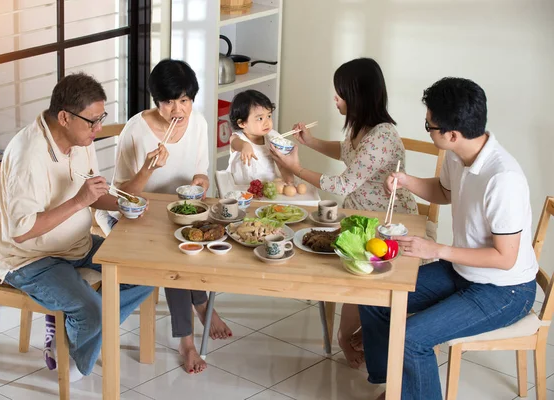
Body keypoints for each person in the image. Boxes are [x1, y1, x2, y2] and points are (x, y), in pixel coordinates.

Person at [359, 77, 538, 400]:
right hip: (464, 273)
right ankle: (397, 387)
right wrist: (406, 181)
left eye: (429, 126)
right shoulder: (459, 154)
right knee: (375, 296)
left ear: (452, 134)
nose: (427, 129)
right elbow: (444, 191)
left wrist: (437, 249)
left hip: (505, 289)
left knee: (412, 338)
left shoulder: (503, 179)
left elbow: (504, 258)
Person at [0, 73, 159, 381]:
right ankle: (76, 355)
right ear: (65, 117)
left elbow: (93, 196)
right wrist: (80, 202)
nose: (98, 129)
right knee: (92, 311)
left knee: (145, 272)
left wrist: (124, 204)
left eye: (101, 119)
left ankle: (70, 332)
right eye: (92, 121)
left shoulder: (80, 139)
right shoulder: (29, 156)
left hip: (76, 245)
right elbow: (22, 231)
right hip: (29, 260)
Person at [270, 58, 418, 368]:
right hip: (362, 215)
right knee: (336, 256)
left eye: (339, 94)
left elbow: (342, 183)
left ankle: (347, 335)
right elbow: (346, 151)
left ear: (357, 95)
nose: (334, 99)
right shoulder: (361, 126)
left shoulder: (381, 137)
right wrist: (309, 142)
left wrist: (295, 168)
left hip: (387, 222)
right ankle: (354, 333)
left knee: (351, 270)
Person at [95, 59, 232, 374]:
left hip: (179, 211)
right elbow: (120, 196)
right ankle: (187, 338)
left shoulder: (198, 122)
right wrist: (148, 169)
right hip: (135, 215)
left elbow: (201, 172)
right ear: (156, 100)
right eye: (169, 101)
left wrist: (201, 183)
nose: (177, 109)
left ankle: (200, 303)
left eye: (184, 100)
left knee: (201, 236)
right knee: (175, 254)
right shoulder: (136, 131)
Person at [227, 89, 293, 184]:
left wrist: (289, 181)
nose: (267, 122)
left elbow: (283, 165)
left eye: (269, 116)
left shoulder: (273, 137)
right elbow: (234, 142)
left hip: (270, 189)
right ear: (242, 123)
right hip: (242, 191)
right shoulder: (239, 138)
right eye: (260, 118)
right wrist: (245, 146)